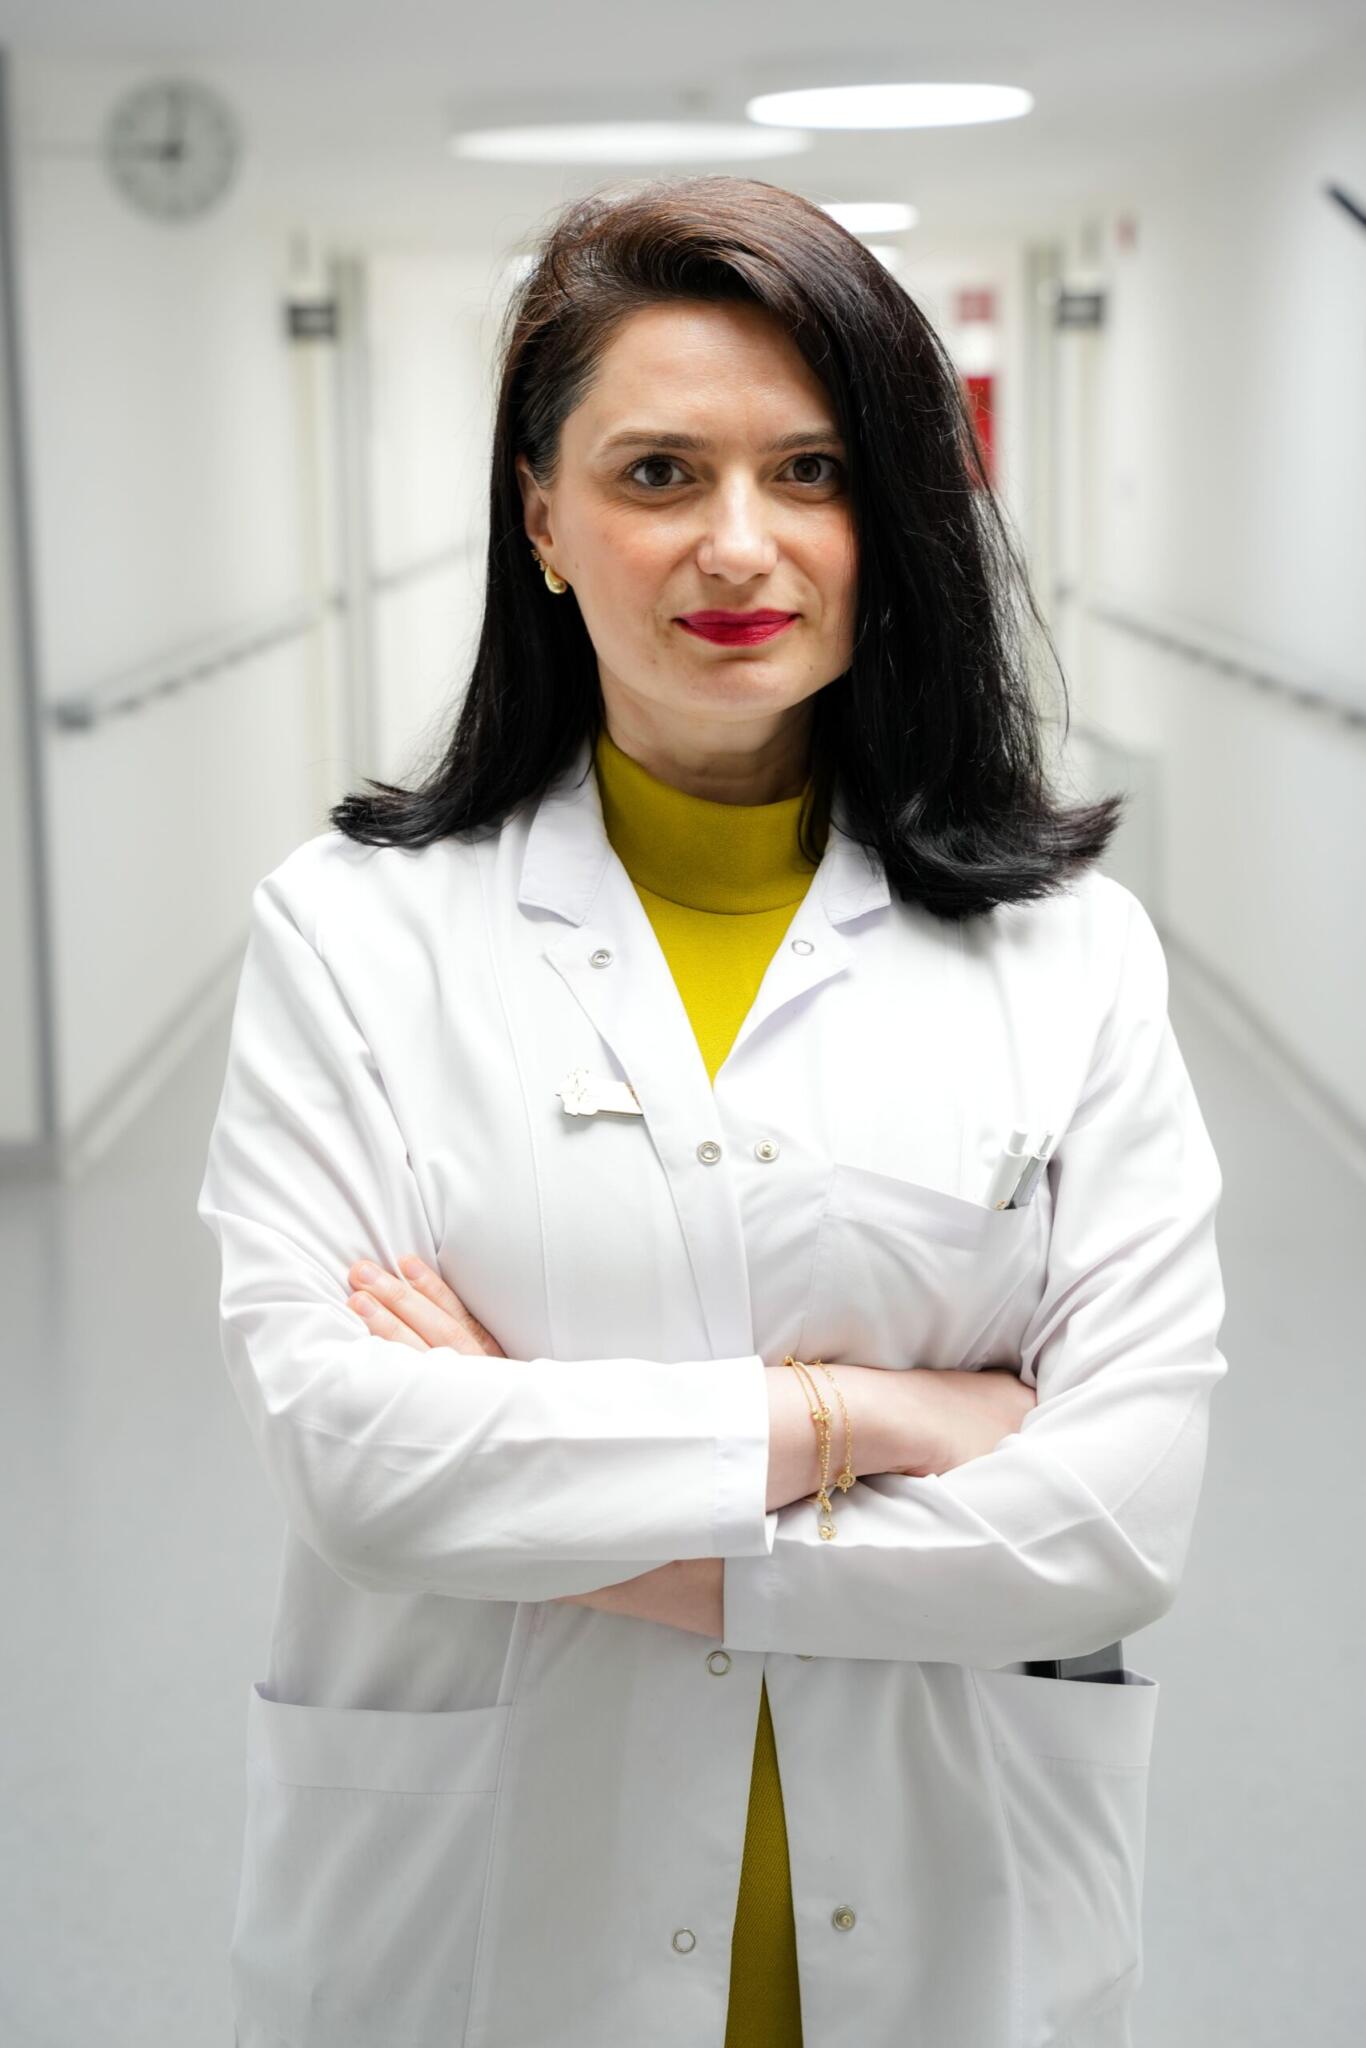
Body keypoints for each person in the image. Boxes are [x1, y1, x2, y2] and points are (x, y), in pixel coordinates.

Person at [197, 174, 1227, 2048]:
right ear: (541, 517)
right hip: (488, 1923)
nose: (737, 546)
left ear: (888, 518)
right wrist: (871, 1418)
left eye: (808, 472)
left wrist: (533, 1474)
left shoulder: (1074, 957)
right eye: (658, 473)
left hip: (946, 1899)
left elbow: (1108, 1529)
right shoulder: (350, 939)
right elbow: (359, 1468)